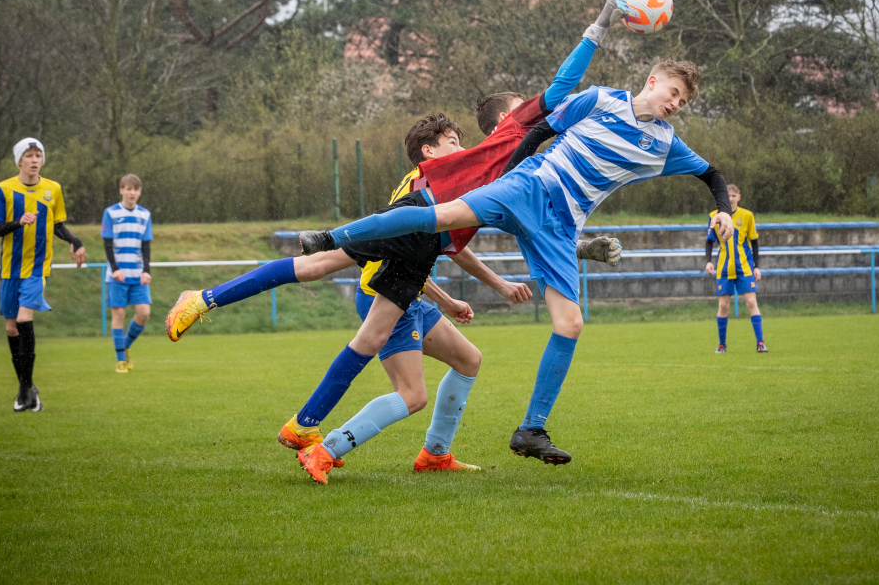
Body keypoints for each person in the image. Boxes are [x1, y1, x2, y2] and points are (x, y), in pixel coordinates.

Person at [165, 0, 627, 482]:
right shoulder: (506, 137)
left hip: (419, 250)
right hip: (413, 225)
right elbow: (562, 85)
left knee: (362, 316)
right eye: (521, 107)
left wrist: (581, 248)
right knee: (328, 278)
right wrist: (598, 27)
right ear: (503, 121)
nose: (535, 111)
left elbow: (520, 230)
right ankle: (217, 313)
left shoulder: (513, 176)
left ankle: (316, 425)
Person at [298, 60, 734, 466]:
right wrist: (510, 174)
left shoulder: (664, 143)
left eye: (682, 101)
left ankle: (530, 430)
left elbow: (711, 174)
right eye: (673, 92)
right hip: (528, 185)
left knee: (570, 323)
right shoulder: (601, 99)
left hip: (560, 225)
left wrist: (723, 211)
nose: (675, 103)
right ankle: (333, 237)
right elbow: (541, 128)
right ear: (652, 81)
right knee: (442, 216)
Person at [0, 138, 86, 412]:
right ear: (19, 160)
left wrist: (75, 241)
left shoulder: (53, 189)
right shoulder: (3, 189)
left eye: (38, 155)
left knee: (23, 320)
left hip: (37, 268)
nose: (34, 160)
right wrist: (17, 222)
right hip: (10, 270)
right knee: (11, 328)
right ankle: (28, 387)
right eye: (29, 155)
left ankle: (24, 389)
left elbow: (57, 224)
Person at [705, 184, 767, 353]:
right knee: (723, 306)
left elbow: (754, 242)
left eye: (733, 195)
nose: (730, 198)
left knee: (751, 302)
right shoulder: (714, 216)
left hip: (744, 267)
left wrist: (757, 266)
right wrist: (708, 261)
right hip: (724, 268)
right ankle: (722, 345)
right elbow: (709, 241)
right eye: (728, 195)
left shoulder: (747, 215)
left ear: (738, 197)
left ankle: (761, 343)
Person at [101, 174, 153, 372]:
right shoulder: (111, 213)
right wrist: (115, 269)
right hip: (117, 274)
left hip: (138, 274)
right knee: (119, 313)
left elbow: (146, 245)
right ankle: (121, 360)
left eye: (135, 189)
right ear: (121, 190)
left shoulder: (145, 215)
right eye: (128, 189)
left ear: (140, 192)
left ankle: (124, 346)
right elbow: (107, 243)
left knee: (144, 313)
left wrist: (146, 271)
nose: (132, 193)